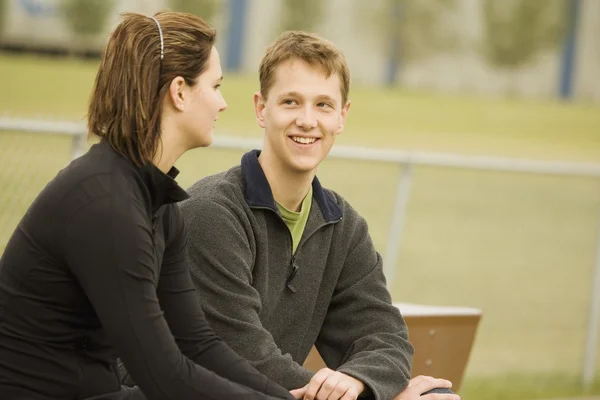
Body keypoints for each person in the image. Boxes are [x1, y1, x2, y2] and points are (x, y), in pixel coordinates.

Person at [0, 12, 297, 400]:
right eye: (216, 85)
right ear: (179, 91)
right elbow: (163, 376)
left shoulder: (158, 202)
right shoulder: (105, 204)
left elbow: (197, 342)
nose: (223, 103)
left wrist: (286, 394)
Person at [180, 31, 459, 400]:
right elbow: (242, 357)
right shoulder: (212, 213)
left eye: (323, 105)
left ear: (342, 116)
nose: (308, 121)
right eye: (291, 102)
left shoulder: (342, 226)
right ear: (262, 108)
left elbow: (384, 338)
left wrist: (359, 380)